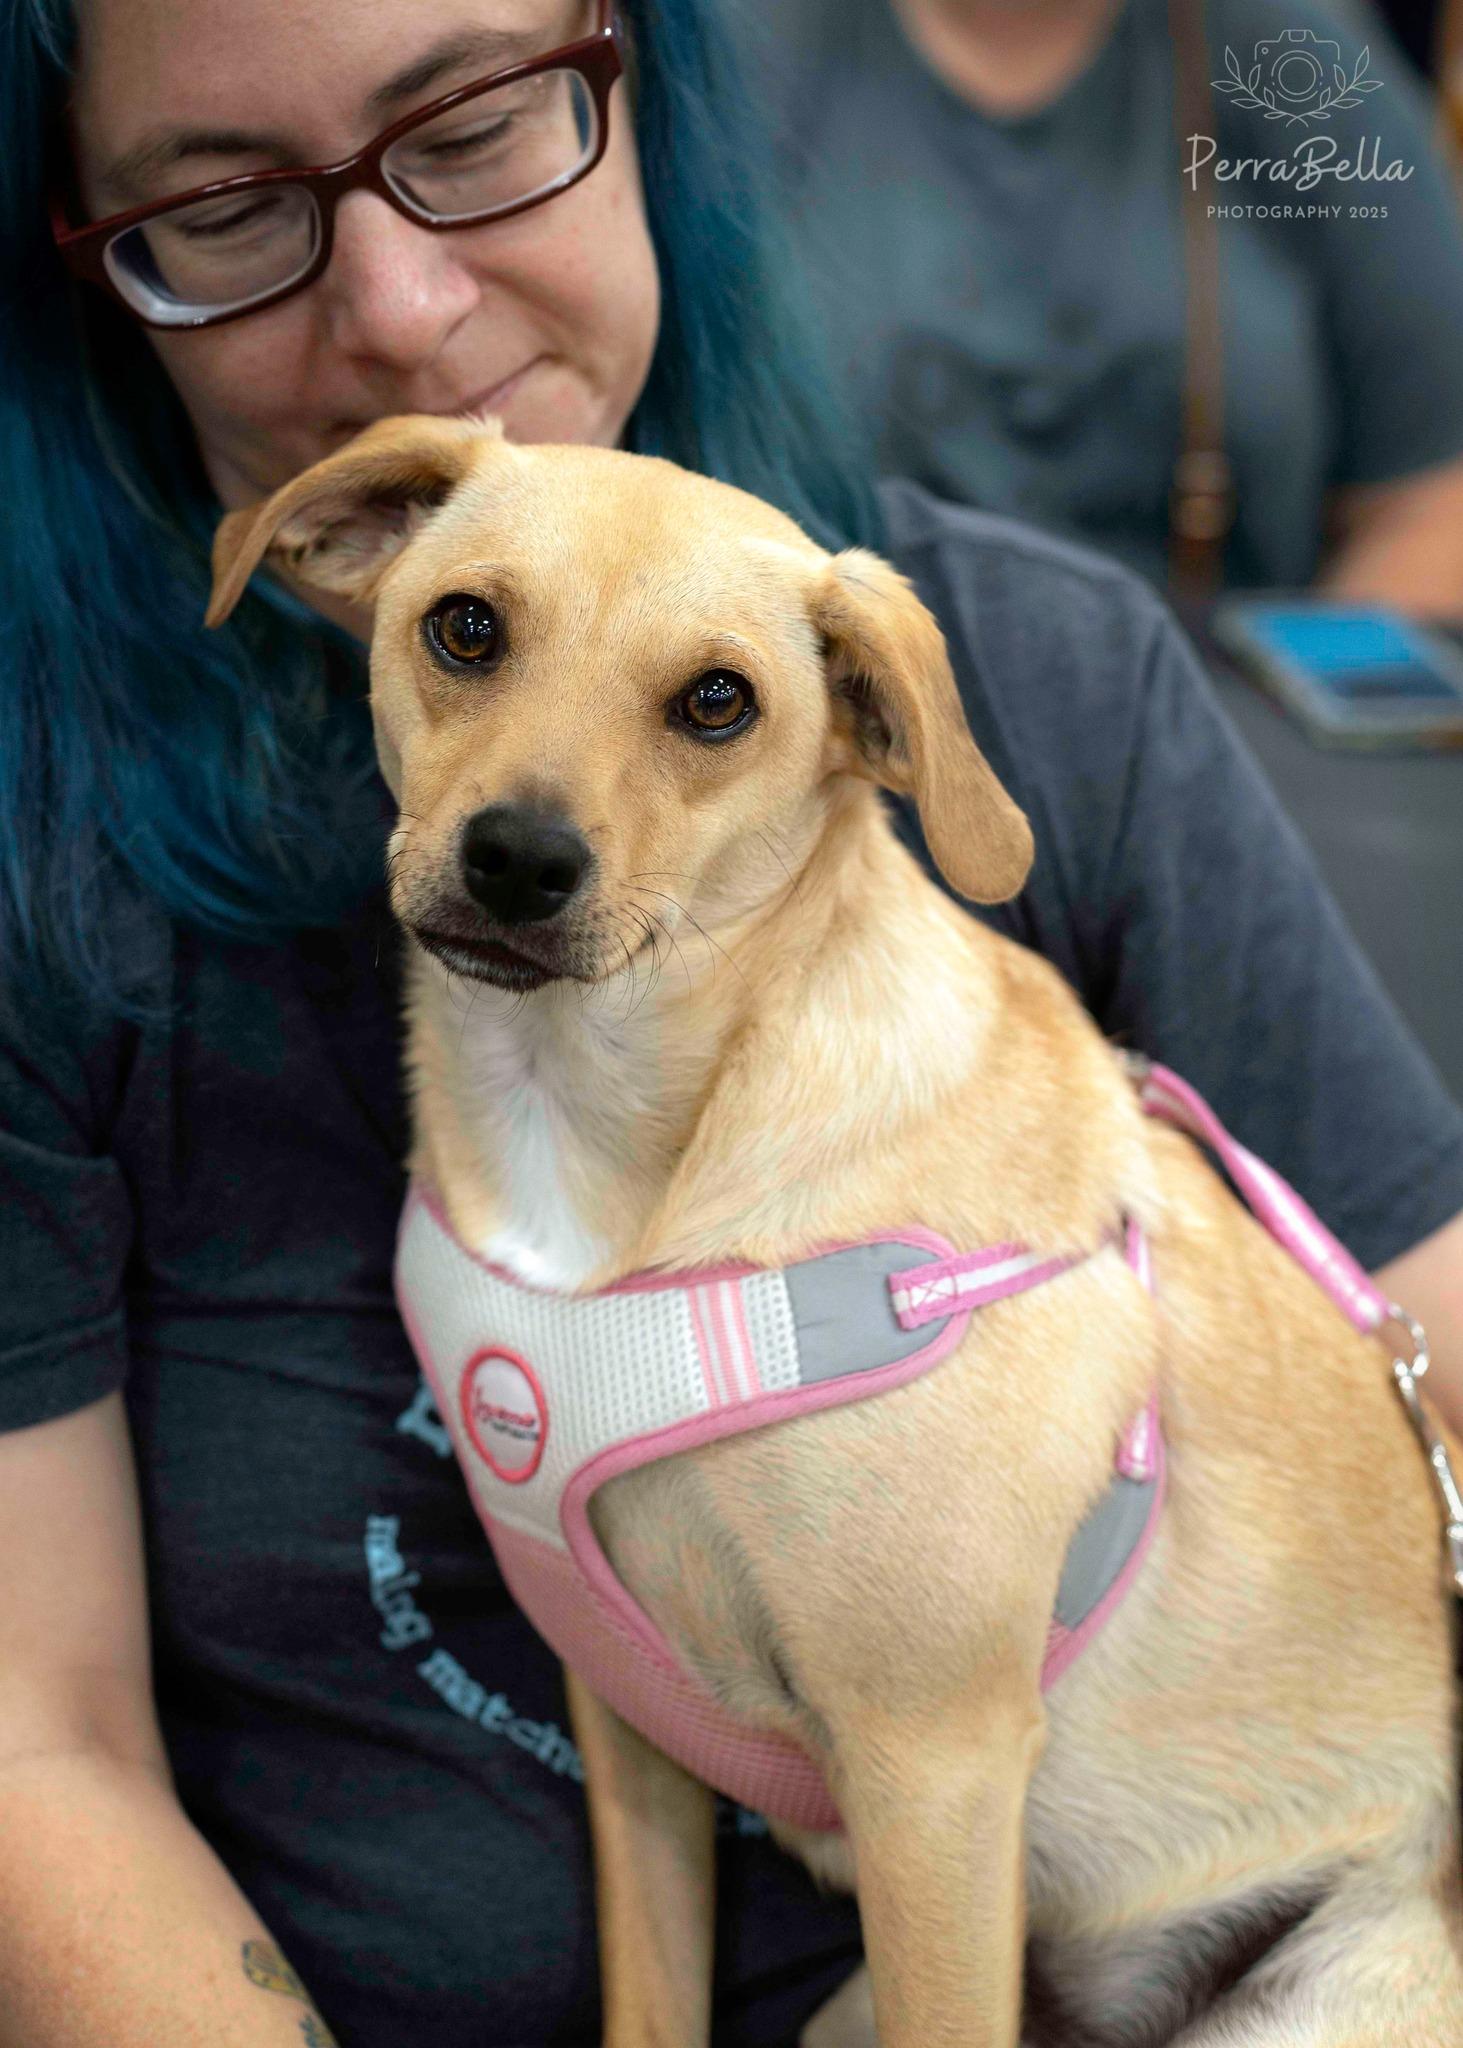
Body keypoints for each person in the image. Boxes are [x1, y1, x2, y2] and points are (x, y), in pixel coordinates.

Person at [2, 1, 1461, 2043]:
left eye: (478, 117)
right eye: (225, 204)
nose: (407, 313)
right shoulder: (45, 865)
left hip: (1287, 1907)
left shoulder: (1042, 672)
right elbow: (28, 1742)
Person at [741, 0, 1463, 604]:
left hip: (1221, 734)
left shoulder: (1299, 62)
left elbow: (1433, 506)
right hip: (843, 725)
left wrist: (1291, 739)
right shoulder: (736, 44)